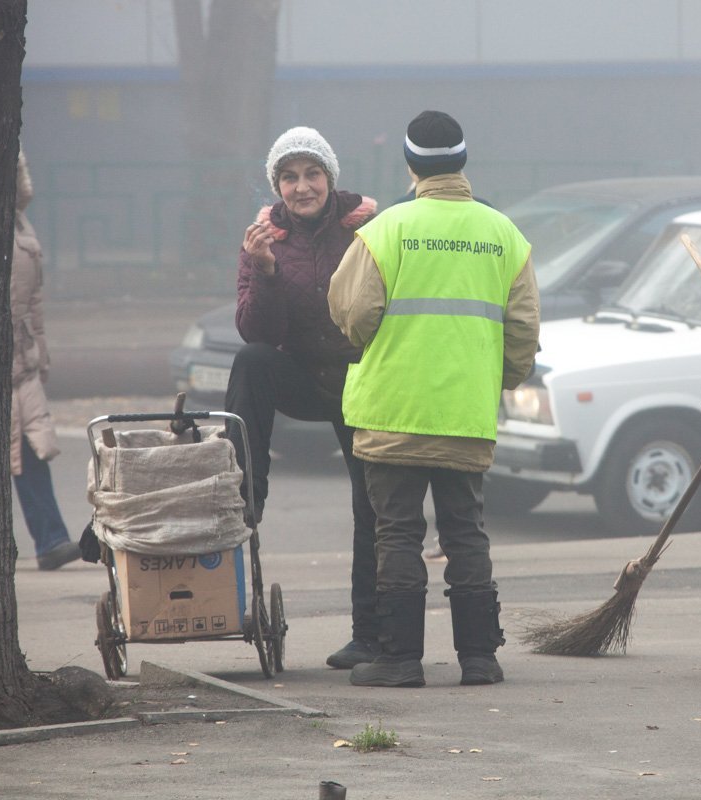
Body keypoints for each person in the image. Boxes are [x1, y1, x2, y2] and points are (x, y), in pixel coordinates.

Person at [327, 110, 540, 687]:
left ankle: (398, 658)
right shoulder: (504, 236)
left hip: (392, 410)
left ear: (411, 165)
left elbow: (353, 314)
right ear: (463, 163)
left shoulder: (384, 231)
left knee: (396, 532)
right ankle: (479, 658)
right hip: (465, 416)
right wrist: (497, 379)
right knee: (465, 530)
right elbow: (522, 333)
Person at [226, 126, 381, 669]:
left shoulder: (370, 228)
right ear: (278, 186)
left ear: (330, 178)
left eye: (312, 174)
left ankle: (370, 635)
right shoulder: (262, 238)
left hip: (362, 381)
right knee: (251, 363)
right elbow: (255, 334)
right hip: (300, 378)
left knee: (373, 504)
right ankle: (246, 491)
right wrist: (265, 271)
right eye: (288, 177)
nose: (301, 187)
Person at [11, 149, 81, 571]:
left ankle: (51, 540)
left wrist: (40, 352)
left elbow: (33, 302)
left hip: (19, 363)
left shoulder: (19, 224)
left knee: (30, 446)